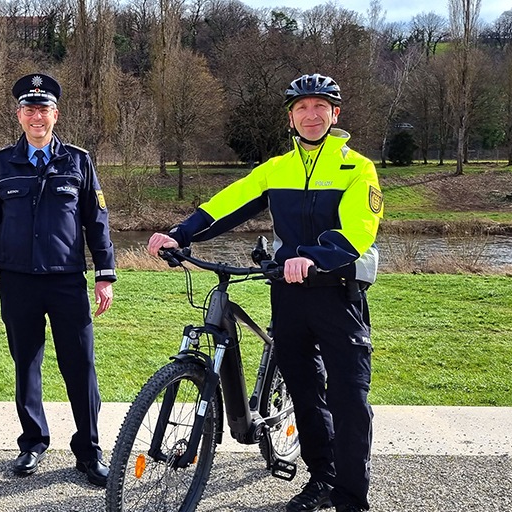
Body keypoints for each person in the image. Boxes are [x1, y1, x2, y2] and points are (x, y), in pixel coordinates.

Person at [147, 73, 381, 512]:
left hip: (337, 292)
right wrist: (181, 234)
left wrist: (313, 256)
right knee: (306, 394)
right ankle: (323, 481)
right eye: (301, 108)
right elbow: (227, 204)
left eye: (320, 107)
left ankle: (352, 498)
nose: (311, 116)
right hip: (288, 294)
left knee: (349, 399)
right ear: (290, 118)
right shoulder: (276, 169)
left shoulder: (357, 167)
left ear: (335, 113)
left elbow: (359, 230)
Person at [0, 73, 116, 487]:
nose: (37, 116)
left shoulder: (79, 160)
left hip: (67, 281)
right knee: (26, 365)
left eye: (44, 109)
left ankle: (88, 450)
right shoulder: (1, 163)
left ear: (56, 114)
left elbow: (96, 222)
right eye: (29, 109)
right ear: (19, 116)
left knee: (80, 366)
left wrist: (105, 274)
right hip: (17, 281)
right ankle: (33, 442)